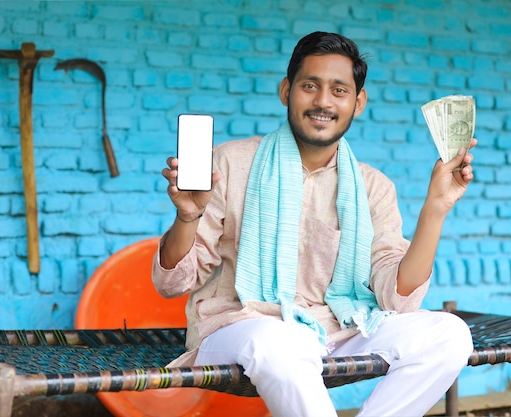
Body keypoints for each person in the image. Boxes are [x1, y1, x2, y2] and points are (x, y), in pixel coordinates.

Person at [152, 31, 476, 417]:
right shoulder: (227, 164)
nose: (323, 101)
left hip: (338, 330)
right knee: (283, 339)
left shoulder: (372, 187)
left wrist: (435, 208)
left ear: (358, 103)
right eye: (310, 86)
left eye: (339, 90)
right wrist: (187, 217)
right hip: (244, 328)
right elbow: (173, 283)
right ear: (286, 90)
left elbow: (397, 301)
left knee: (450, 334)